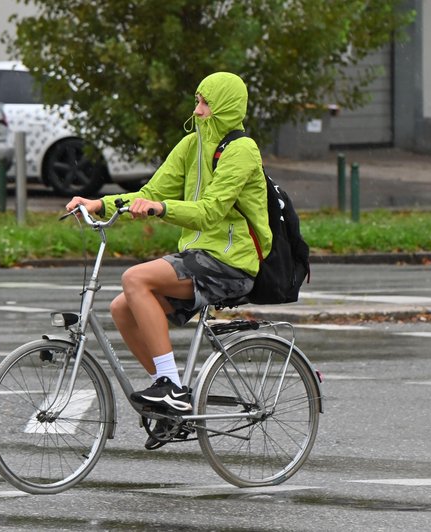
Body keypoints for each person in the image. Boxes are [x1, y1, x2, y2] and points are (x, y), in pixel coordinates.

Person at [65, 72, 272, 447]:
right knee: (121, 307)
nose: (197, 110)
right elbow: (150, 191)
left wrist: (160, 209)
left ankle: (170, 389)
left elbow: (210, 212)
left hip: (232, 262)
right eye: (197, 100)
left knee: (135, 278)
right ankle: (171, 397)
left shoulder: (242, 150)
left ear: (224, 105)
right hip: (199, 256)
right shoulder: (191, 145)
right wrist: (98, 203)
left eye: (204, 102)